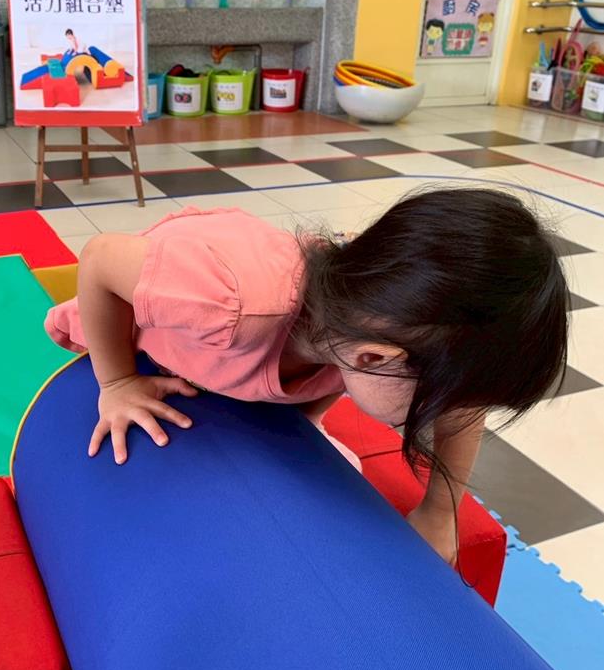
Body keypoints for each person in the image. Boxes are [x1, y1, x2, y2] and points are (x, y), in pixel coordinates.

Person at [44, 188, 569, 565]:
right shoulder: (228, 309)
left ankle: (300, 417)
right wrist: (117, 382)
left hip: (267, 330)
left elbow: (463, 407)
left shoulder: (370, 319)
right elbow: (100, 258)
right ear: (372, 358)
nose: (450, 414)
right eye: (436, 404)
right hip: (157, 311)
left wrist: (440, 511)